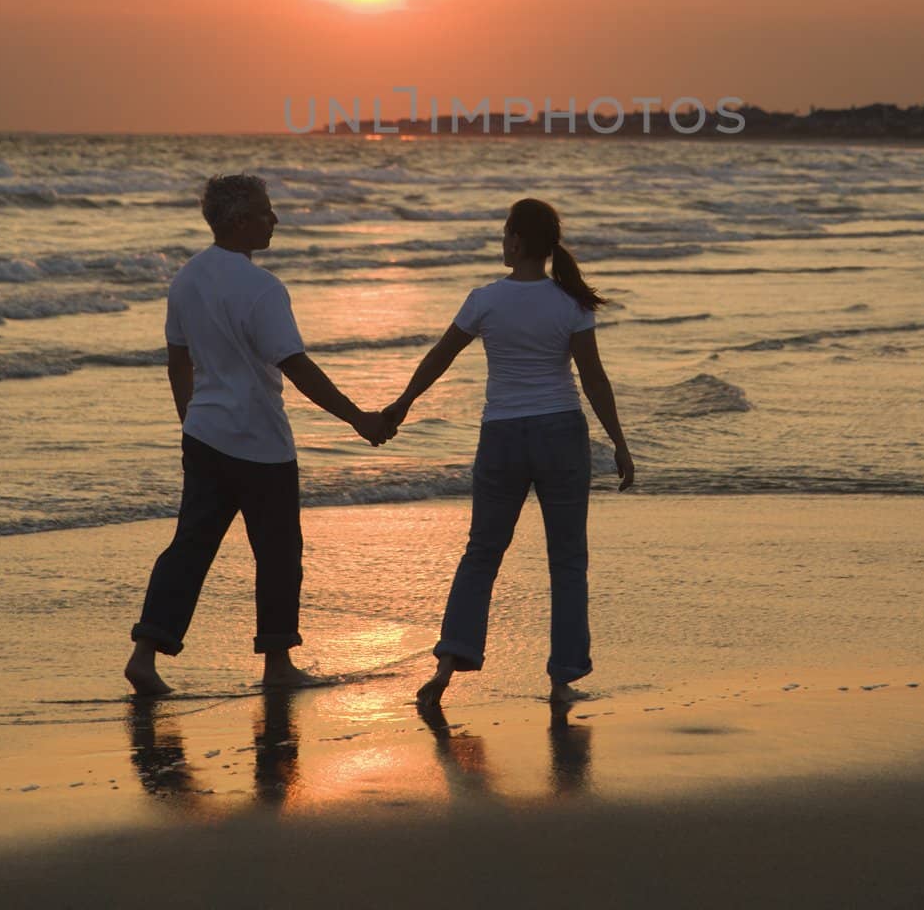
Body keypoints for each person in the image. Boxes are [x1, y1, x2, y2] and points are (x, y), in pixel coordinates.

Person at [124, 173, 394, 696]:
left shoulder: (186, 278)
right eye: (267, 212)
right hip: (260, 442)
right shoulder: (262, 288)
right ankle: (277, 664)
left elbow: (177, 358)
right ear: (239, 221)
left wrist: (190, 419)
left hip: (204, 434)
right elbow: (296, 365)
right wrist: (358, 418)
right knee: (277, 553)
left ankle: (145, 654)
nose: (275, 220)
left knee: (189, 548)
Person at [382, 197, 634, 709]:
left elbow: (440, 356)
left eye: (504, 234)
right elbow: (592, 378)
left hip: (501, 437)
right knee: (567, 561)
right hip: (561, 434)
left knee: (481, 553)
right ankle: (563, 678)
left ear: (517, 242)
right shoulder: (570, 304)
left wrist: (402, 402)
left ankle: (448, 663)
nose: (502, 242)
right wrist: (620, 443)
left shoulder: (485, 300)